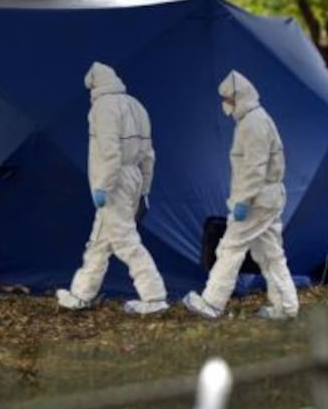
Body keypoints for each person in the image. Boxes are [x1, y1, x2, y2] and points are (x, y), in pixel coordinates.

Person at [182, 70, 299, 320]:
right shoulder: (255, 120)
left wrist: (243, 201)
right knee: (270, 254)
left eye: (227, 99)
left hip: (256, 200)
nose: (226, 104)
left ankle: (212, 303)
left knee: (230, 247)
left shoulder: (253, 124)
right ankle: (287, 307)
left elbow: (254, 168)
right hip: (267, 198)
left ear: (239, 97)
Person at [56, 62, 169, 315]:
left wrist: (103, 186)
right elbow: (149, 154)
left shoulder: (103, 107)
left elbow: (109, 151)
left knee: (125, 240)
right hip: (133, 177)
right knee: (99, 242)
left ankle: (154, 297)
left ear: (94, 86)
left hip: (113, 181)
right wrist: (144, 190)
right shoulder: (136, 105)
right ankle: (82, 293)